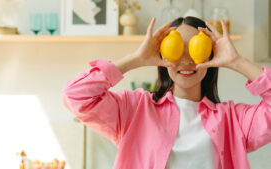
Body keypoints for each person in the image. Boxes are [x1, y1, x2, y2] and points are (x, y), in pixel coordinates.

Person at [63, 16, 271, 169]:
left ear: (209, 56)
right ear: (162, 54)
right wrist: (136, 59)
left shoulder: (233, 121)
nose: (186, 60)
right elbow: (76, 95)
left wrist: (237, 61)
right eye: (177, 49)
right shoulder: (134, 110)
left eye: (195, 49)